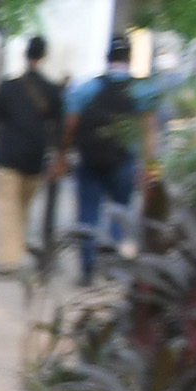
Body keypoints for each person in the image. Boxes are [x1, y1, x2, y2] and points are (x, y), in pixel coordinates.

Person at [0, 36, 64, 280]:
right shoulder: (51, 90)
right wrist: (59, 155)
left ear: (25, 55)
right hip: (35, 158)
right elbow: (58, 127)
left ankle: (9, 260)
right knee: (22, 208)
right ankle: (13, 253)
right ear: (44, 56)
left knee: (7, 209)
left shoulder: (8, 86)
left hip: (7, 155)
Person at [68, 36, 144, 283]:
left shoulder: (88, 88)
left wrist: (65, 150)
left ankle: (87, 270)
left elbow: (71, 119)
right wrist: (149, 163)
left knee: (87, 214)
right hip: (124, 160)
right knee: (120, 214)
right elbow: (149, 127)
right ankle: (112, 269)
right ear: (129, 58)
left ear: (107, 58)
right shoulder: (141, 90)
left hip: (90, 159)